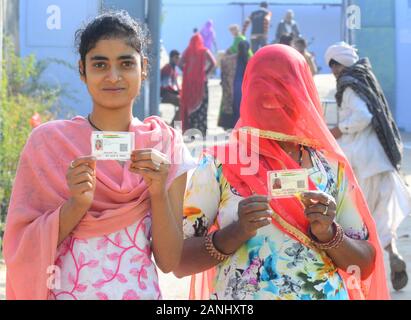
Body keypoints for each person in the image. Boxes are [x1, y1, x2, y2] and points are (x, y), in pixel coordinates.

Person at [3, 11, 196, 300]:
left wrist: (157, 192)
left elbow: (168, 261)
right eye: (100, 64)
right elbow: (21, 244)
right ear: (82, 70)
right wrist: (76, 204)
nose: (113, 76)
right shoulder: (49, 143)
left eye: (126, 63)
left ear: (143, 68)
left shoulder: (164, 144)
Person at [174, 45, 389, 300]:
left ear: (304, 92)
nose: (273, 96)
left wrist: (329, 234)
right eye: (263, 86)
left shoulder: (330, 167)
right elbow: (179, 260)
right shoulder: (220, 164)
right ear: (248, 92)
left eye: (284, 85)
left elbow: (363, 265)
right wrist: (237, 231)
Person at [325, 42, 411, 291]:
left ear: (339, 64)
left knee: (362, 217)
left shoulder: (350, 84)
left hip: (363, 160)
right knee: (379, 216)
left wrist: (340, 130)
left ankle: (368, 278)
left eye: (333, 65)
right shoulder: (365, 77)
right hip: (379, 160)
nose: (333, 71)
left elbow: (364, 116)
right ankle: (393, 254)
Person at [179, 33, 217, 136]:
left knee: (190, 105)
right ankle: (202, 131)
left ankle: (191, 131)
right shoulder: (204, 51)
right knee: (203, 106)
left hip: (189, 83)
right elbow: (214, 62)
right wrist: (205, 73)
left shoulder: (188, 51)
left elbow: (179, 63)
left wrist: (186, 73)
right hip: (202, 82)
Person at [218, 40, 252, 130]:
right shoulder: (250, 60)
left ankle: (234, 125)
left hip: (232, 86)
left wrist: (223, 80)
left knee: (232, 106)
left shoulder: (231, 59)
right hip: (243, 87)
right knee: (242, 107)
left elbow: (223, 63)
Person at [160, 50, 181, 125]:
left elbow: (175, 86)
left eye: (179, 58)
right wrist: (177, 92)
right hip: (164, 95)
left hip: (169, 93)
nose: (178, 60)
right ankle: (174, 126)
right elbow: (166, 86)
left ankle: (174, 125)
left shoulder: (174, 70)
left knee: (184, 102)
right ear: (171, 58)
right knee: (182, 102)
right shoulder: (167, 68)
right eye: (176, 58)